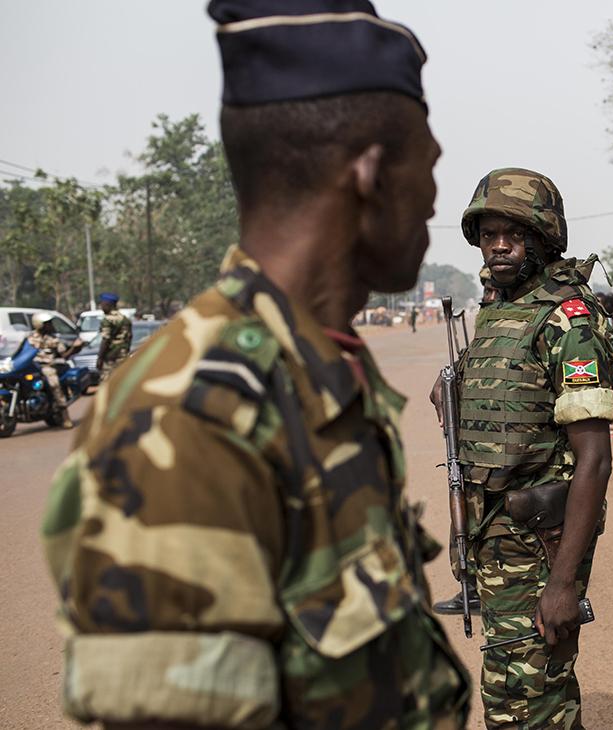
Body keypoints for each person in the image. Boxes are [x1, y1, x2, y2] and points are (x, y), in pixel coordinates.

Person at [41, 4, 470, 727]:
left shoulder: (316, 374)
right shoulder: (191, 420)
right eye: (427, 167)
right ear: (370, 174)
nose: (433, 200)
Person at [449, 167, 613, 728]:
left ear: (543, 239)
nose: (499, 245)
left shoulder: (566, 320)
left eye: (514, 233)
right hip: (496, 538)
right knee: (506, 695)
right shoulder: (499, 310)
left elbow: (594, 459)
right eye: (490, 232)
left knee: (535, 699)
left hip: (540, 545)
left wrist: (564, 583)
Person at [26, 313, 82, 429]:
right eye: (47, 324)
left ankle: (65, 415)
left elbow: (64, 355)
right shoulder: (29, 338)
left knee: (54, 384)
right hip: (31, 366)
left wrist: (74, 348)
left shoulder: (54, 339)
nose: (50, 326)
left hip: (47, 366)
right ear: (40, 325)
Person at [94, 292, 132, 381]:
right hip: (123, 357)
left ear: (108, 304)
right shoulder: (125, 319)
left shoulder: (108, 320)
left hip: (111, 358)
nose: (101, 307)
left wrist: (100, 358)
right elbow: (129, 338)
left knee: (107, 384)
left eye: (102, 304)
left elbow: (105, 340)